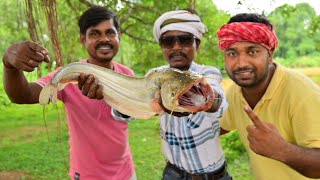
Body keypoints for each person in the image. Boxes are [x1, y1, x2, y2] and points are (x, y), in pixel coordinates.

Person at [2, 6, 136, 180]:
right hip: (87, 175)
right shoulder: (68, 75)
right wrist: (9, 65)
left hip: (126, 172)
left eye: (110, 32)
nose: (104, 39)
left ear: (119, 36)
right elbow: (23, 95)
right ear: (83, 39)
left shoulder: (128, 74)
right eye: (95, 34)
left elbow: (134, 110)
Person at [217, 13, 320, 179]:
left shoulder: (303, 94)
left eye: (252, 51)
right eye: (232, 53)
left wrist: (282, 150)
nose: (241, 63)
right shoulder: (235, 92)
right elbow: (217, 126)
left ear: (270, 55)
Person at [151, 9, 232, 180]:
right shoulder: (155, 76)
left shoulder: (207, 73)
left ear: (197, 44)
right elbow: (127, 112)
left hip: (213, 176)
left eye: (185, 40)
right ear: (162, 46)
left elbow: (218, 102)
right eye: (168, 42)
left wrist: (208, 100)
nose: (176, 47)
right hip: (173, 173)